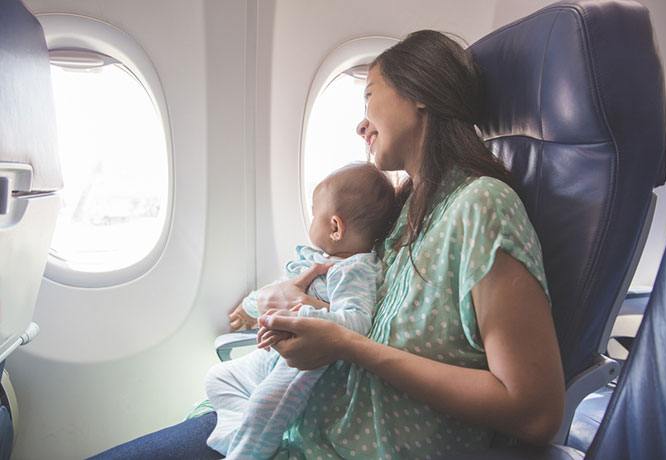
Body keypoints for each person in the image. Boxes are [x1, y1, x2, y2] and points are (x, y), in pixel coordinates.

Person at [91, 29, 564, 460]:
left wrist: (345, 346)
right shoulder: (404, 211)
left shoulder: (482, 206)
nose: (362, 126)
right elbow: (367, 308)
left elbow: (533, 412)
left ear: (418, 96)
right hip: (302, 432)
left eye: (370, 98)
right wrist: (305, 304)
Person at [205, 162, 399, 459]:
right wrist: (251, 307)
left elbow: (357, 321)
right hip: (275, 356)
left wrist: (306, 314)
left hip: (306, 364)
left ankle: (246, 450)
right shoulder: (321, 259)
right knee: (218, 378)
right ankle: (240, 434)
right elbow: (286, 287)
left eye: (313, 212)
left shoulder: (355, 269)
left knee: (264, 408)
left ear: (335, 226)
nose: (310, 220)